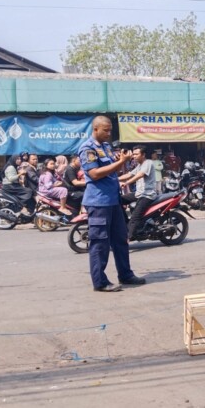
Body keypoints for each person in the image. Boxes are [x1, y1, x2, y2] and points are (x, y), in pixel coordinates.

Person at [79, 116, 145, 292]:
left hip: (114, 200)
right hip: (99, 202)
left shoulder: (106, 147)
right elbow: (94, 174)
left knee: (121, 240)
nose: (109, 133)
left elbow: (115, 171)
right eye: (105, 130)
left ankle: (126, 275)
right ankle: (100, 282)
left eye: (110, 130)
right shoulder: (87, 148)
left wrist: (121, 160)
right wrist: (120, 162)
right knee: (100, 243)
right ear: (95, 129)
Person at [119, 145, 157, 241]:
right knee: (118, 200)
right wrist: (113, 179)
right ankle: (125, 223)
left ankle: (127, 238)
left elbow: (140, 175)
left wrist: (126, 183)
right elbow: (129, 174)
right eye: (133, 154)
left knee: (135, 217)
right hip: (139, 193)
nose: (134, 156)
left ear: (143, 155)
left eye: (136, 154)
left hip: (147, 195)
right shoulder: (139, 165)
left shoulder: (148, 163)